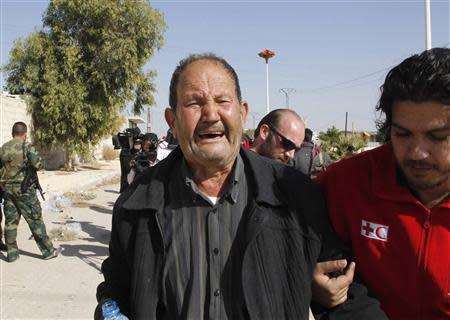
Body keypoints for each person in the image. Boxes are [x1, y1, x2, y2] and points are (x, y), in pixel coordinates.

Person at [95, 53, 386, 319]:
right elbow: (117, 287)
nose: (211, 114)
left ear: (243, 113)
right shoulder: (137, 203)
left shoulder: (297, 197)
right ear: (172, 121)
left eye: (223, 101)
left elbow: (344, 291)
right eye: (194, 103)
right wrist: (110, 309)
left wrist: (320, 290)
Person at [315, 47, 450, 319]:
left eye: (437, 136)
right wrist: (307, 278)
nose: (417, 153)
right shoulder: (345, 182)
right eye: (403, 134)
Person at [0, 122, 60, 262]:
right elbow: (37, 165)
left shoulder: (3, 148)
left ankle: (12, 255)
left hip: (8, 190)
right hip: (24, 190)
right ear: (25, 134)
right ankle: (48, 251)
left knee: (10, 223)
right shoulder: (27, 146)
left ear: (12, 133)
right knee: (35, 220)